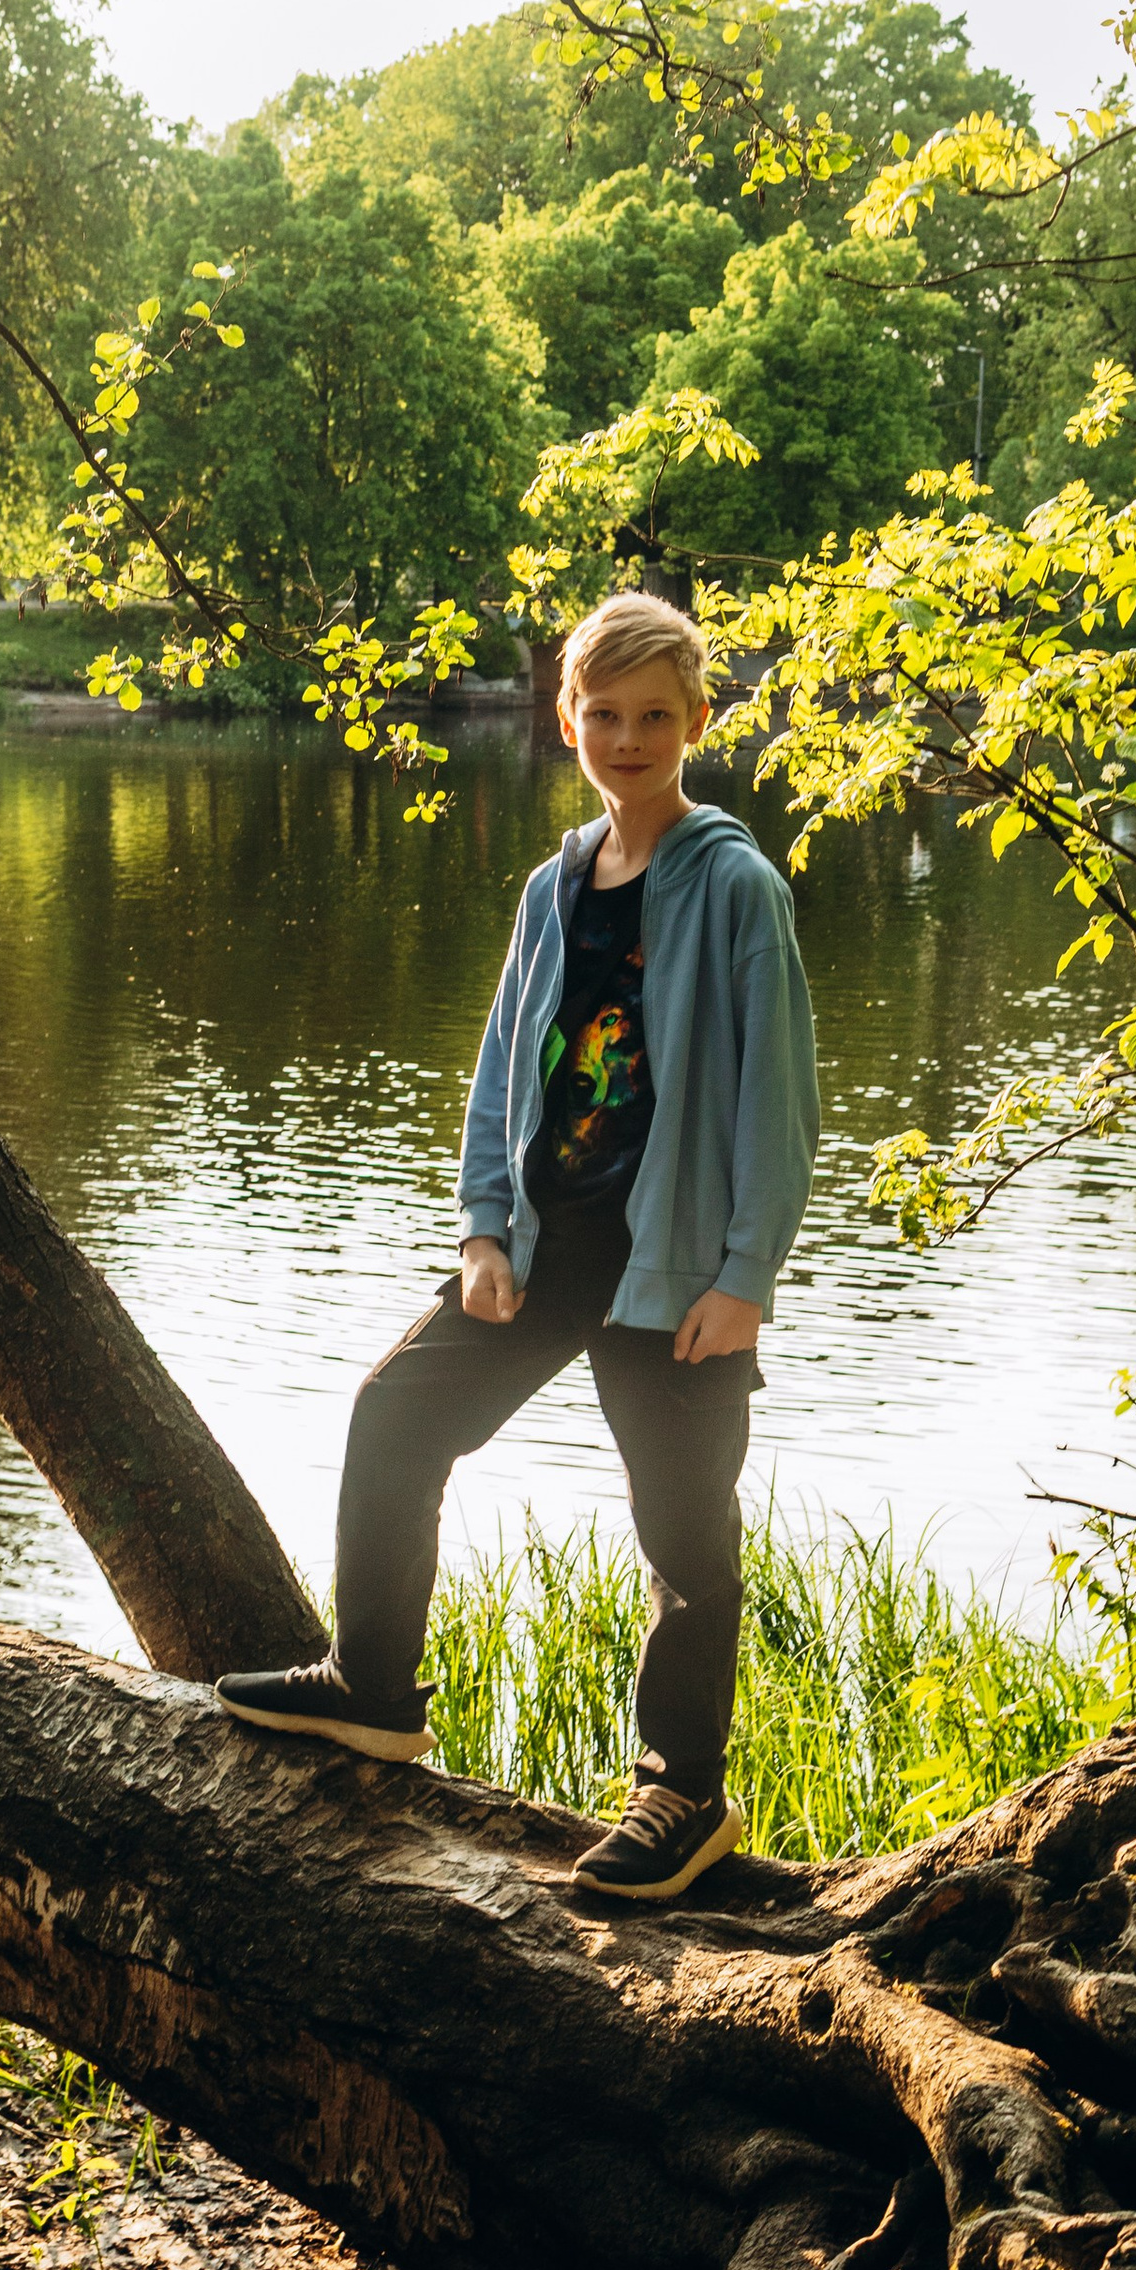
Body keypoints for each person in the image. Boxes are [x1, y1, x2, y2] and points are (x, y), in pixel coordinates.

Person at [216, 590, 820, 1901]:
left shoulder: (733, 886)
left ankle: (683, 1797)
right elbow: (501, 1071)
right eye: (602, 714)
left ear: (696, 722)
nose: (628, 737)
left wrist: (745, 1276)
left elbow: (782, 1098)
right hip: (549, 1252)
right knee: (394, 1414)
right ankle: (373, 1684)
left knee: (684, 1536)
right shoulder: (556, 887)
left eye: (655, 716)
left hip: (674, 1274)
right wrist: (484, 1229)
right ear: (568, 720)